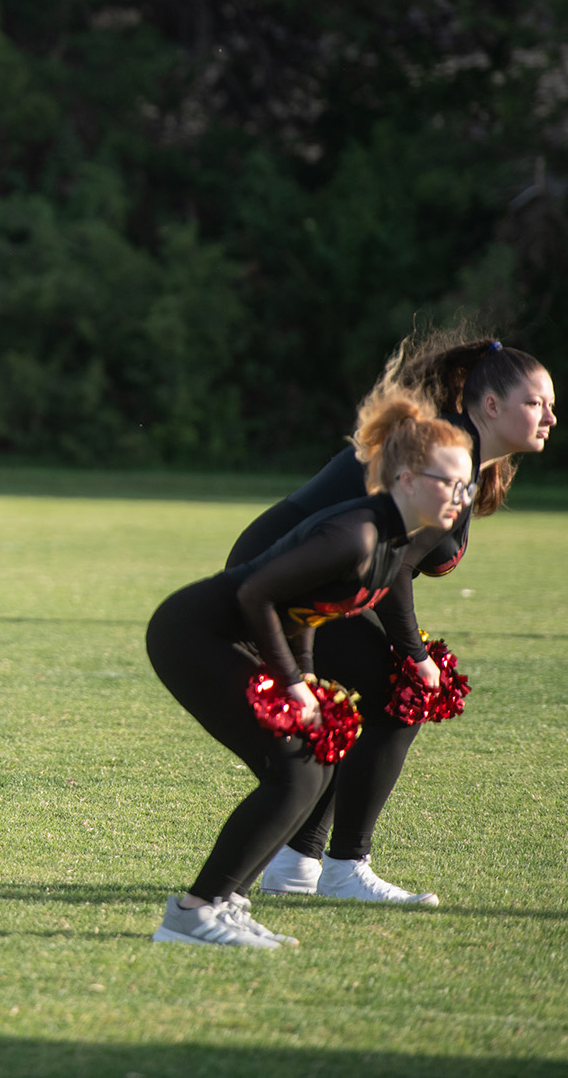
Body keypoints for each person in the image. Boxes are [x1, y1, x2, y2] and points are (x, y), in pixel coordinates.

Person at [231, 334, 556, 906]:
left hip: (311, 584)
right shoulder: (444, 455)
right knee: (400, 688)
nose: (550, 416)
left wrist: (410, 649)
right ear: (491, 406)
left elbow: (389, 566)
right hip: (276, 578)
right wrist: (415, 653)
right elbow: (395, 569)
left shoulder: (465, 456)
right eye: (536, 403)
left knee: (379, 691)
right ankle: (341, 867)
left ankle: (298, 862)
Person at [147, 389, 471, 948]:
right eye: (448, 483)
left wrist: (311, 678)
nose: (460, 497)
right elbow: (258, 595)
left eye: (466, 486)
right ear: (407, 478)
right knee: (295, 770)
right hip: (192, 634)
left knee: (313, 764)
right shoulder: (356, 535)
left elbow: (308, 608)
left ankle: (222, 905)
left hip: (235, 638)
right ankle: (195, 913)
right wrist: (294, 682)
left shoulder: (398, 542)